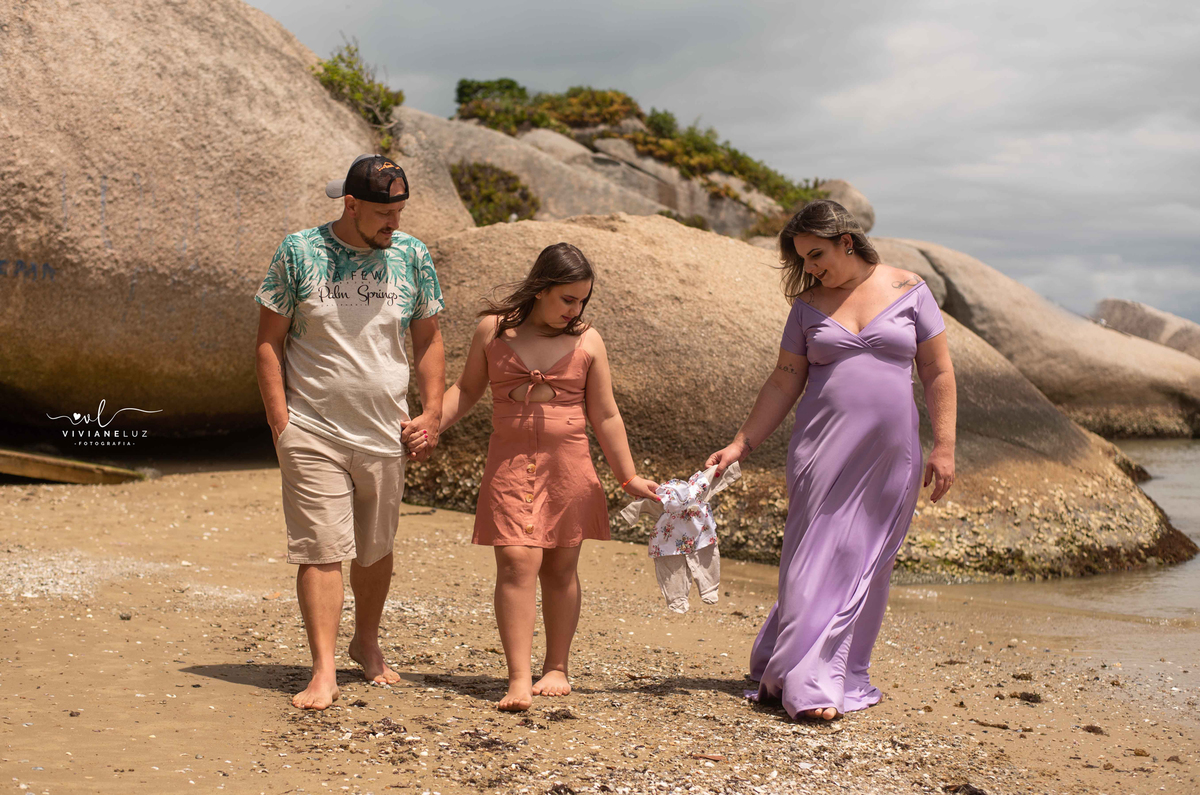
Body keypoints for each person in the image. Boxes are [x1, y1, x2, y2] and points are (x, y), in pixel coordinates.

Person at [707, 200, 957, 720]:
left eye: (817, 254)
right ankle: (798, 671)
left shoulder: (908, 288)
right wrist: (740, 443)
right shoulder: (807, 305)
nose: (811, 267)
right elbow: (783, 380)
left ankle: (827, 677)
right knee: (809, 558)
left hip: (892, 455)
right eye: (803, 259)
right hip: (819, 449)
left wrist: (945, 445)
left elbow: (937, 371)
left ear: (847, 240)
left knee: (866, 561)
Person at [411, 243, 658, 711]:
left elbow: (605, 415)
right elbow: (465, 391)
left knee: (561, 569)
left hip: (569, 470)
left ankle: (557, 667)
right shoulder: (494, 330)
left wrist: (628, 478)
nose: (576, 309)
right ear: (541, 289)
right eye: (568, 298)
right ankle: (519, 679)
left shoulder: (588, 340)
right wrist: (428, 423)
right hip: (508, 465)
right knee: (517, 563)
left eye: (583, 300)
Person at [254, 154, 446, 710]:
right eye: (385, 214)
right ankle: (322, 669)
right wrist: (280, 421)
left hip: (388, 430)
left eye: (401, 212)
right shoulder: (299, 251)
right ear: (351, 204)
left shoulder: (412, 255)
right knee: (320, 550)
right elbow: (269, 340)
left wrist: (431, 413)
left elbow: (428, 339)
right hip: (311, 428)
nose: (395, 224)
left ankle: (366, 642)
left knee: (375, 550)